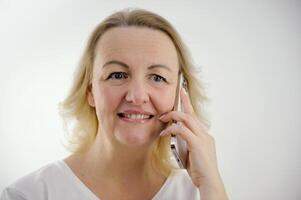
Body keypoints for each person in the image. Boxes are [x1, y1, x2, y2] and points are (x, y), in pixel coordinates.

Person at [1, 8, 228, 200]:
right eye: (117, 75)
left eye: (157, 77)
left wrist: (212, 185)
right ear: (90, 90)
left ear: (180, 95)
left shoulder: (198, 192)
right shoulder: (30, 194)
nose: (137, 96)